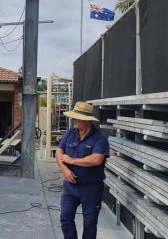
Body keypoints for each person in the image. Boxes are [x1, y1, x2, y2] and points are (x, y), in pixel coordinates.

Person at [56, 101, 109, 239]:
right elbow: (59, 152)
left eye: (76, 118)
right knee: (65, 218)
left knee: (90, 223)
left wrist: (72, 161)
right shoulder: (70, 133)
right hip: (70, 187)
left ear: (86, 121)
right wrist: (65, 170)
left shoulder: (99, 138)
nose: (73, 120)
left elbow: (97, 159)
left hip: (91, 188)